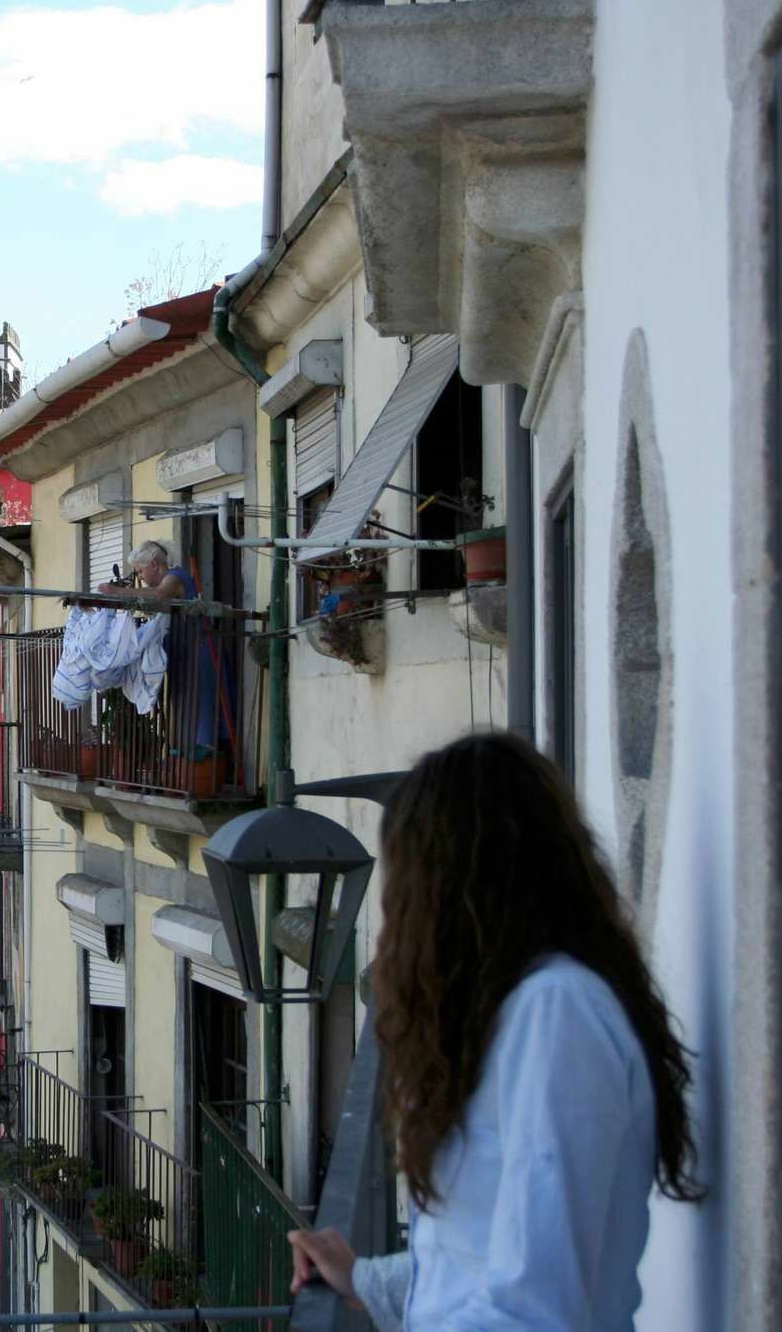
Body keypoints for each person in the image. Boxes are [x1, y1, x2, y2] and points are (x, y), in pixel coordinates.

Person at [286, 732, 704, 1330]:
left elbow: (535, 1305)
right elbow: (473, 1263)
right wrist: (364, 1278)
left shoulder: (557, 1015)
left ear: (450, 882)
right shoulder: (521, 1013)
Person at [96, 539, 227, 759]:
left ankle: (207, 760)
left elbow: (159, 595)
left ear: (155, 564)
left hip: (199, 651)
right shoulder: (168, 580)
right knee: (185, 707)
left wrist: (115, 591)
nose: (140, 578)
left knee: (204, 707)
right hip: (182, 654)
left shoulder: (176, 577)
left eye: (140, 571)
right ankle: (187, 758)